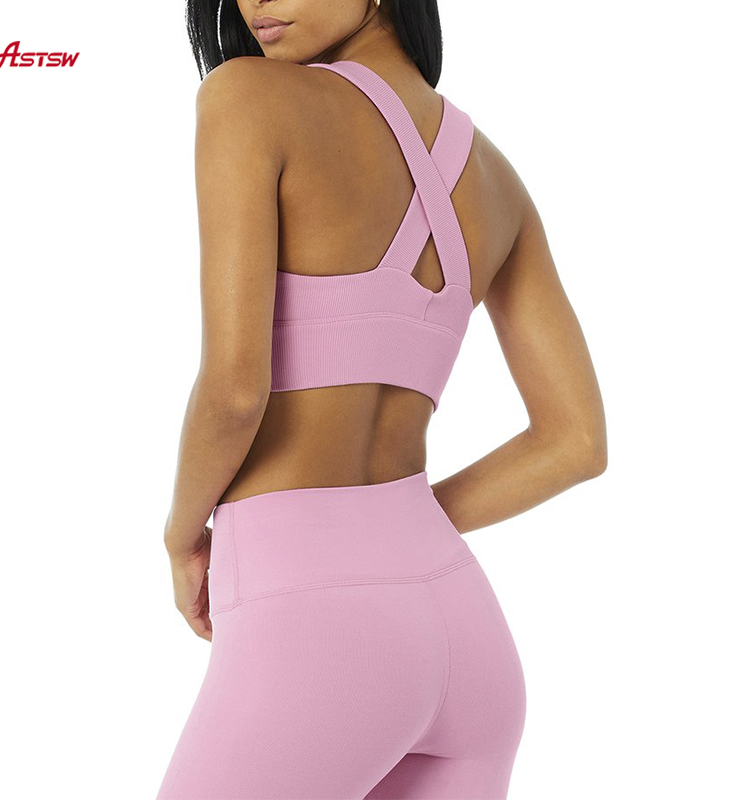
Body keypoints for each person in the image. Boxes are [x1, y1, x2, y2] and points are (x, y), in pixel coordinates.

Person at [156, 0, 607, 797]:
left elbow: (234, 391)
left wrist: (181, 535)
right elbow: (575, 442)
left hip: (313, 628)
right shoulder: (496, 178)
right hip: (468, 642)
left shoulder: (248, 97)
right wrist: (390, 538)